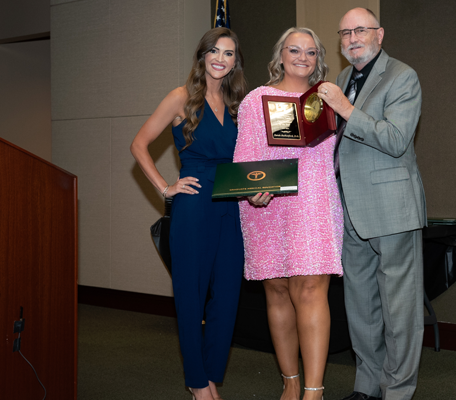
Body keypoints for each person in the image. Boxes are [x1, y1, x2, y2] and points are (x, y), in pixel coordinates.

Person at [130, 27, 247, 400]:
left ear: (234, 63)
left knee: (227, 298)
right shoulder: (181, 97)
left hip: (231, 207)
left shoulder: (235, 103)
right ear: (202, 55)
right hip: (194, 206)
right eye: (214, 51)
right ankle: (198, 384)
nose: (220, 58)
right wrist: (165, 187)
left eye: (228, 54)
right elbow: (139, 144)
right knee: (190, 295)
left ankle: (210, 375)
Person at [317, 8, 427, 400]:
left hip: (391, 208)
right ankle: (367, 386)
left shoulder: (402, 76)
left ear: (379, 34)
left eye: (359, 30)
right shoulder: (345, 78)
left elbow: (396, 139)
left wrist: (345, 109)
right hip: (348, 208)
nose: (351, 38)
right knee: (360, 307)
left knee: (400, 310)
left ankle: (397, 391)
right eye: (344, 32)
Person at [233, 27, 343, 400]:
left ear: (318, 59)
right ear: (280, 55)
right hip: (267, 205)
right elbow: (245, 157)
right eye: (294, 50)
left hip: (315, 202)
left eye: (310, 52)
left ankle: (314, 390)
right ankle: (291, 382)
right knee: (278, 291)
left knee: (312, 290)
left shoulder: (328, 98)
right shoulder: (256, 99)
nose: (302, 57)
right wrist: (252, 191)